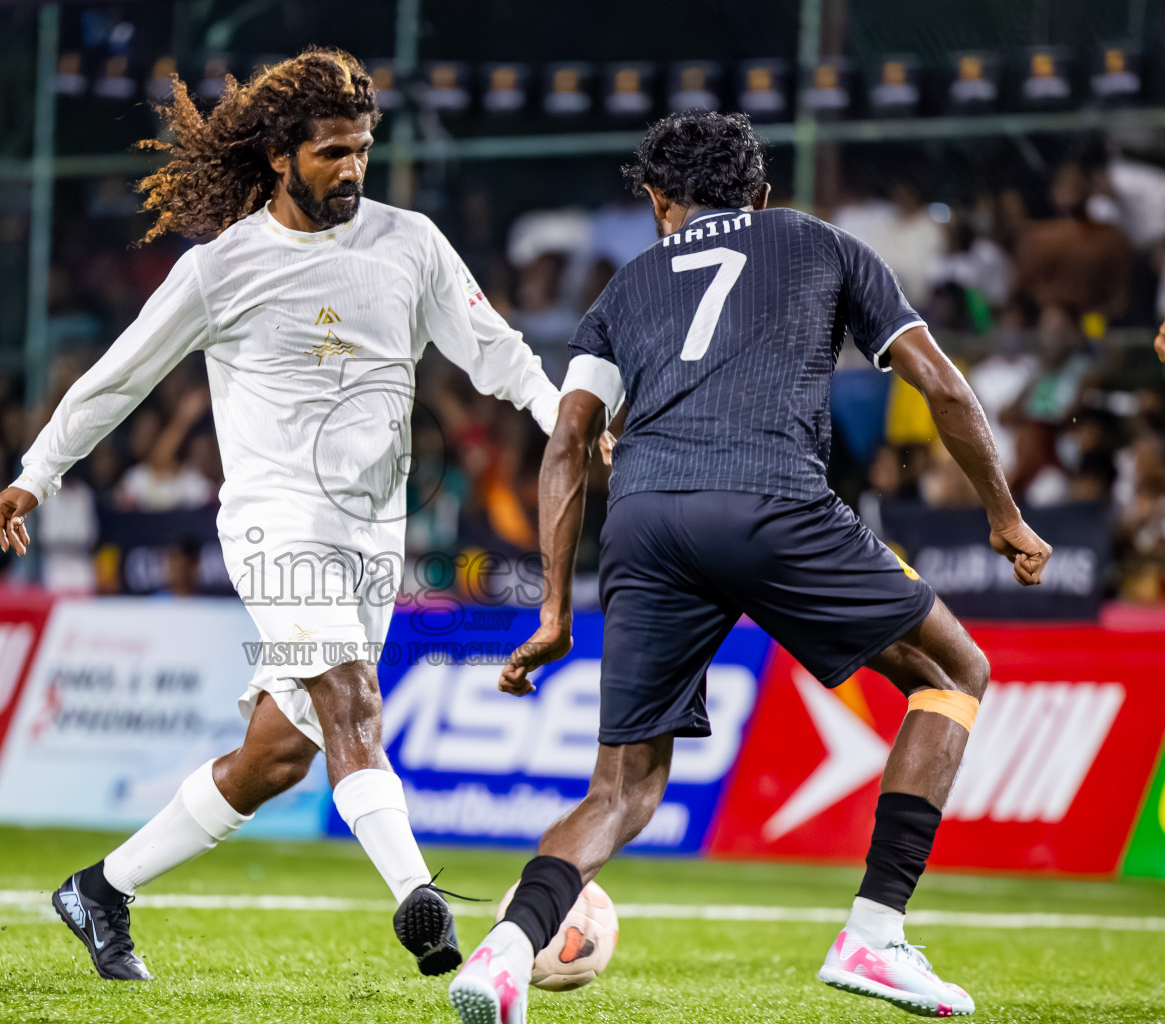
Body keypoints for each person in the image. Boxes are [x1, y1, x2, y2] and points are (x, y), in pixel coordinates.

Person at [448, 111, 1053, 1024]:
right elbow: (941, 384)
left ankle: (503, 954)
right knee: (953, 669)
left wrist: (554, 609)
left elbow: (568, 445)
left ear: (659, 204)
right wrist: (1004, 516)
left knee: (619, 789)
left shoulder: (625, 286)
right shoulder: (819, 242)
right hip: (767, 498)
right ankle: (875, 936)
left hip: (645, 523)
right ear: (763, 194)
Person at [0, 48, 560, 984]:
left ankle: (101, 889)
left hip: (375, 536)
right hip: (272, 523)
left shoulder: (409, 243)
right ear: (280, 157)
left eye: (362, 150)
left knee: (281, 756)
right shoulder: (223, 270)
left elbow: (494, 351)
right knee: (351, 700)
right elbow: (120, 379)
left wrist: (558, 416)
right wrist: (39, 471)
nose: (352, 168)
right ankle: (419, 901)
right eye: (333, 152)